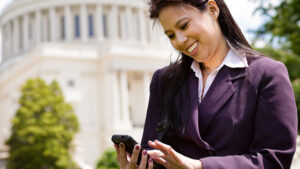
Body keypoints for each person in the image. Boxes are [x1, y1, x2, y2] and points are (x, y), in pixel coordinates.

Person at [114, 0, 298, 169]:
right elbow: (151, 151)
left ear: (212, 9)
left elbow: (274, 161)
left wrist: (200, 166)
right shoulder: (164, 81)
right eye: (171, 35)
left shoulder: (266, 74)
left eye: (184, 26)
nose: (179, 41)